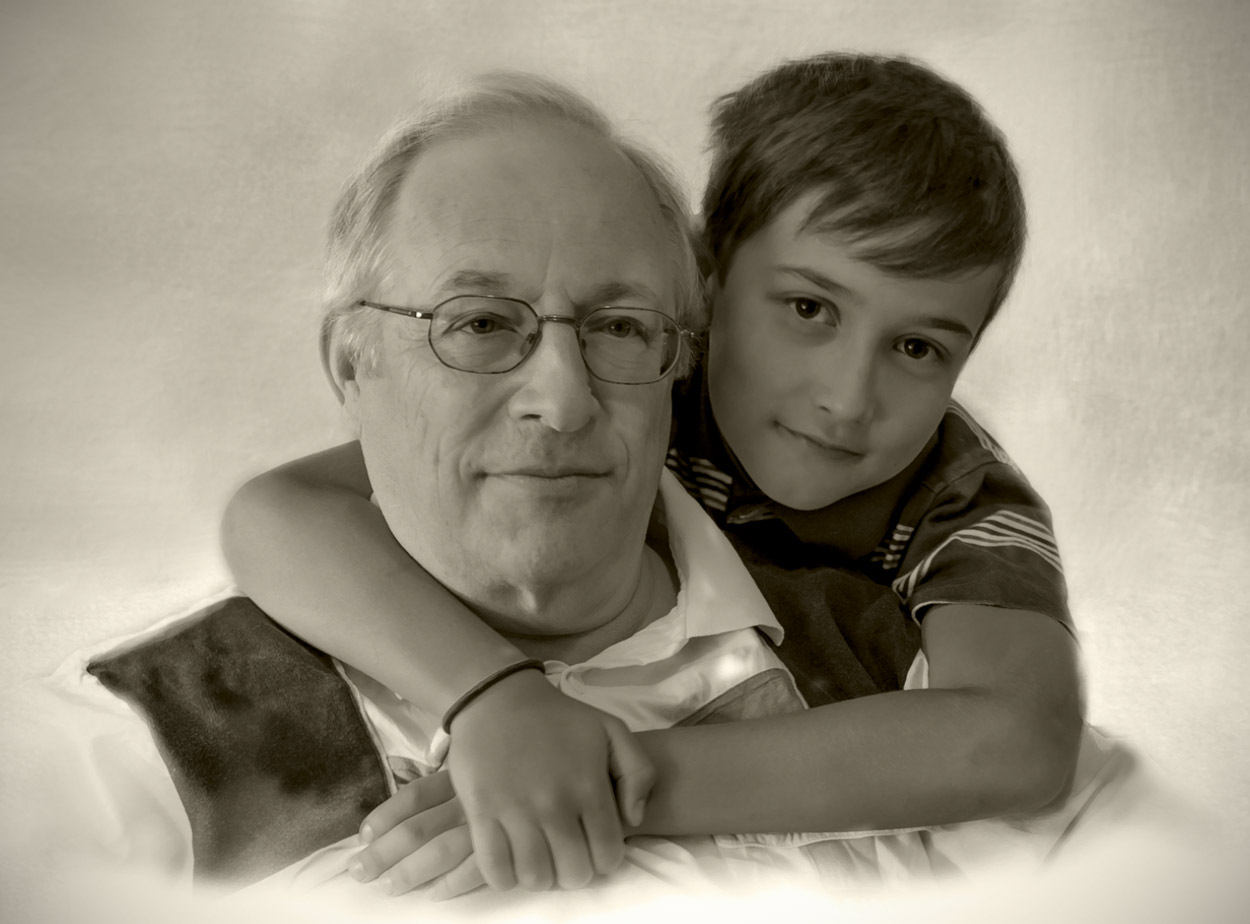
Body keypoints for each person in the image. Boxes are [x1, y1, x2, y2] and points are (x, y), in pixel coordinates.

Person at [44, 72, 947, 907]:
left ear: (679, 362)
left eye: (620, 327)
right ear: (352, 364)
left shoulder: (897, 670)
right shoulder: (133, 741)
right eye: (477, 323)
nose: (562, 399)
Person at [221, 54, 1087, 895]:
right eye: (809, 308)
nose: (847, 399)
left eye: (918, 347)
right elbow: (278, 509)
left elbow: (1018, 741)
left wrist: (609, 778)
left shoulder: (961, 496)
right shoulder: (633, 374)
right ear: (703, 287)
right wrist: (493, 699)